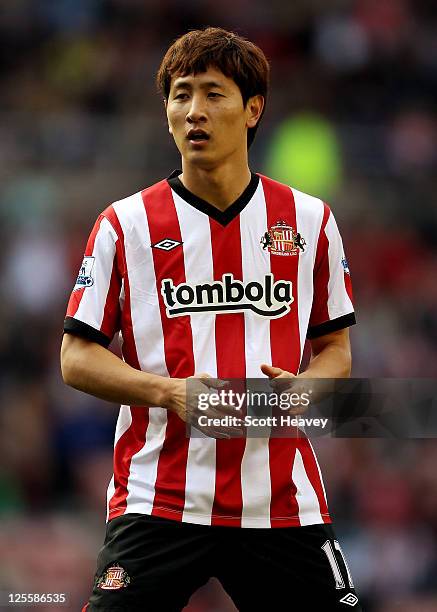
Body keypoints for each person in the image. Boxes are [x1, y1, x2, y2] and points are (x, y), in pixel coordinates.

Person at [61, 27, 361, 612]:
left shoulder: (310, 220)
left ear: (253, 110)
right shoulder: (125, 225)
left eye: (213, 94)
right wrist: (169, 392)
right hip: (158, 497)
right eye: (180, 95)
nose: (194, 110)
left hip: (279, 500)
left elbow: (336, 350)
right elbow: (75, 357)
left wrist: (306, 392)